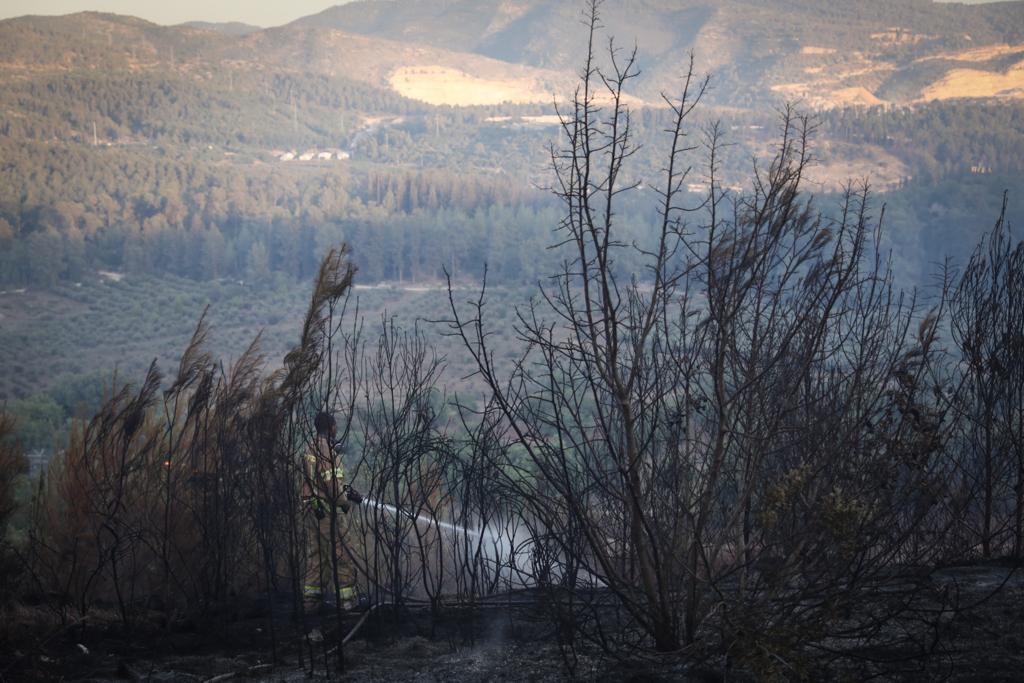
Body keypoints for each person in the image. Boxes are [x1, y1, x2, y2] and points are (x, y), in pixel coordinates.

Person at [302, 410, 361, 610]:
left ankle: (311, 605)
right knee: (343, 554)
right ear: (331, 427)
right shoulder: (327, 451)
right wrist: (344, 502)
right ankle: (347, 603)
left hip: (313, 511)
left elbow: (316, 483)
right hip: (329, 513)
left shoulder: (310, 449)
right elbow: (332, 486)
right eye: (336, 426)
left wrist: (348, 491)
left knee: (317, 558)